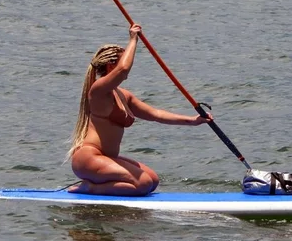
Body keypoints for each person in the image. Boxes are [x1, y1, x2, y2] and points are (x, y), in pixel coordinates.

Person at [67, 24, 212, 196]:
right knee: (143, 184)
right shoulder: (98, 91)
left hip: (106, 159)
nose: (128, 65)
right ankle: (91, 188)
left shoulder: (124, 95)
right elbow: (123, 70)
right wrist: (133, 39)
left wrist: (193, 121)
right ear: (111, 66)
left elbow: (156, 114)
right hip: (89, 158)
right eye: (122, 61)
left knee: (152, 180)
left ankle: (100, 183)